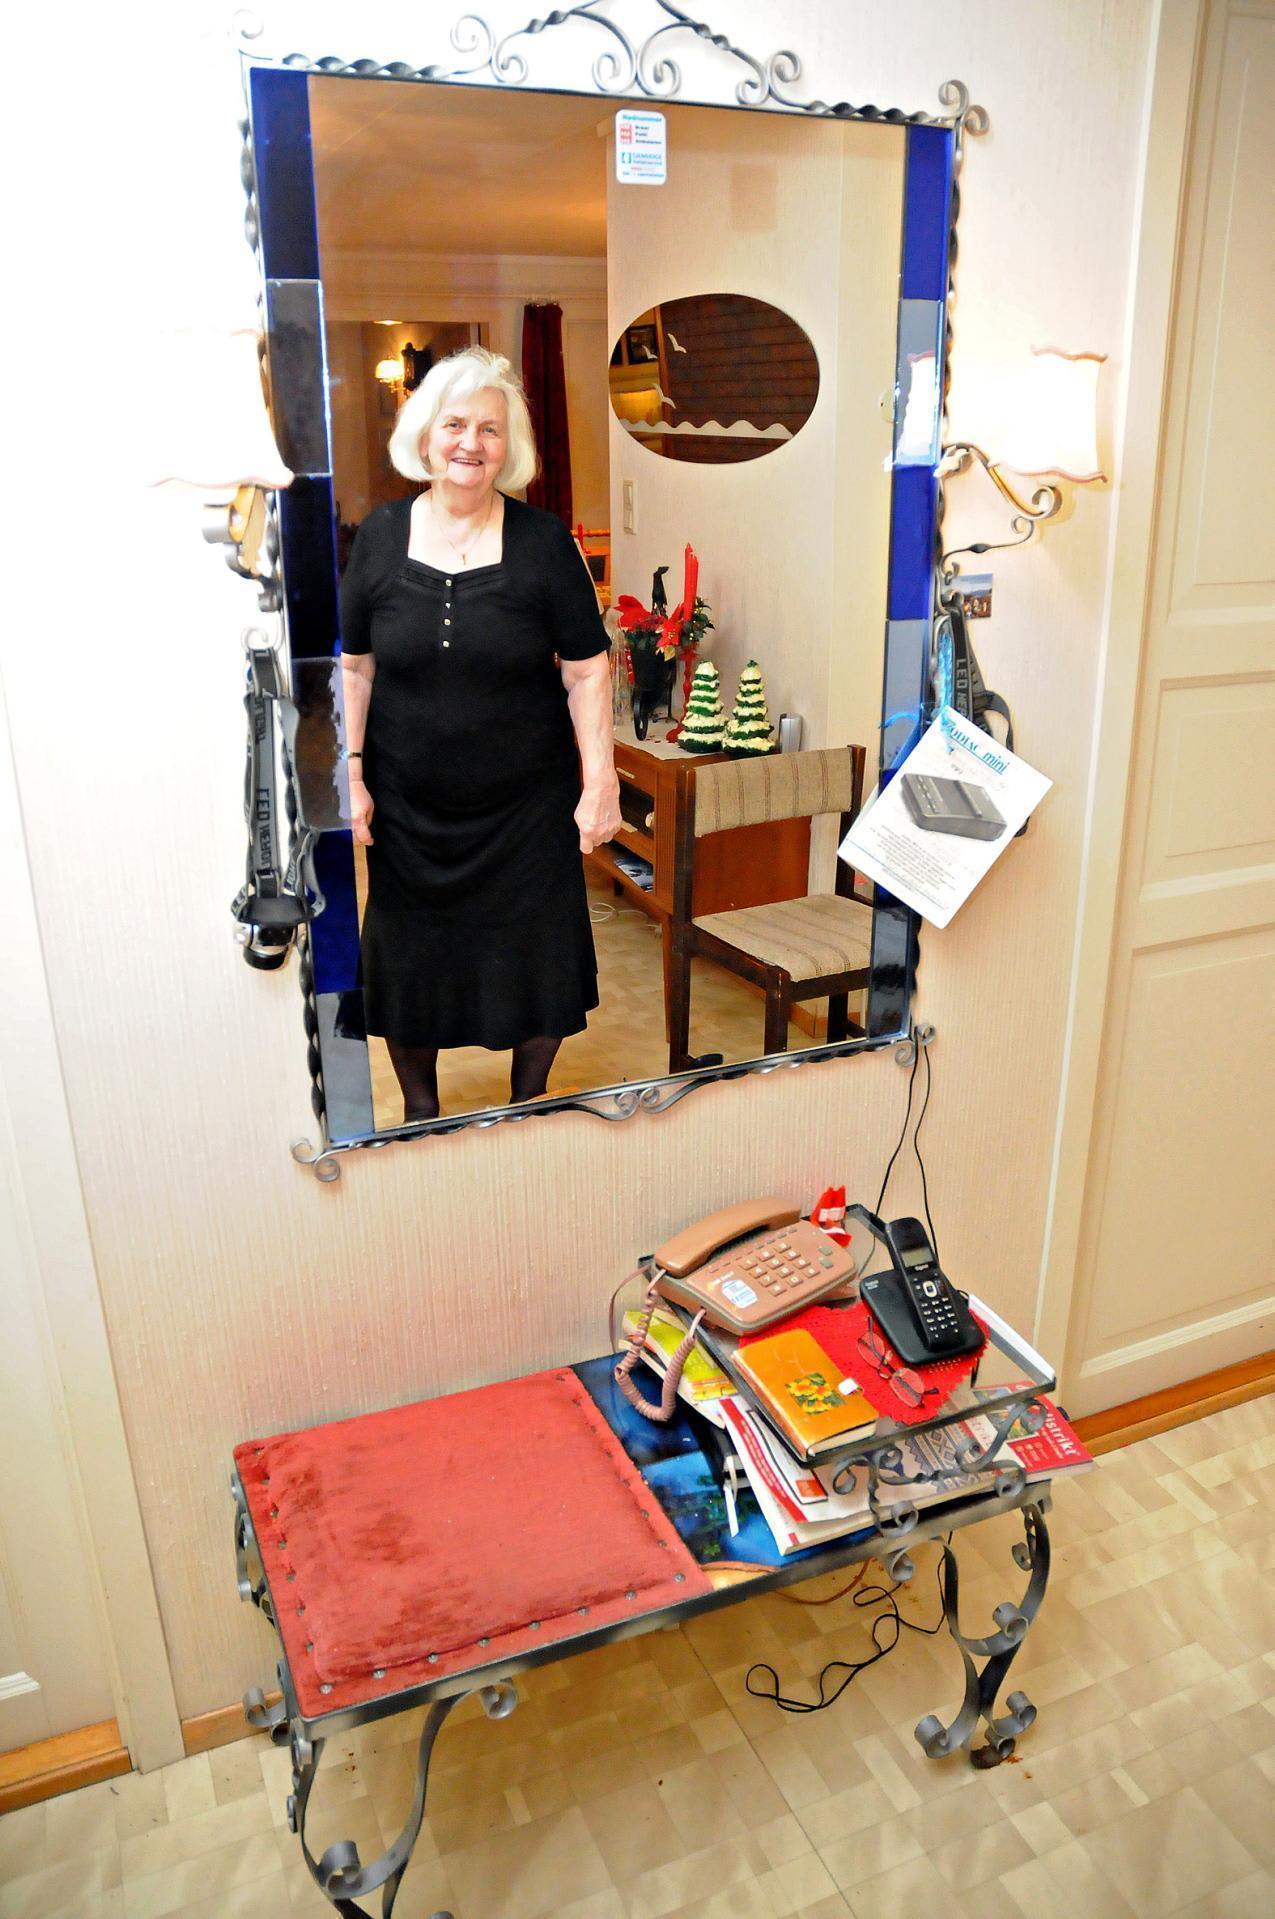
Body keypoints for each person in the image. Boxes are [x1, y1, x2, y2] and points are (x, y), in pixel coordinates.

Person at [339, 347, 622, 1121]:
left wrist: (600, 779)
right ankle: (421, 1112)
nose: (471, 443)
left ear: (510, 446)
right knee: (409, 960)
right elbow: (355, 667)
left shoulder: (544, 543)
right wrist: (350, 772)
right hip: (409, 809)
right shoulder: (379, 538)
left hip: (526, 809)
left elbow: (586, 670)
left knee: (537, 955)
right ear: (425, 435)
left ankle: (525, 1104)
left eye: (490, 429)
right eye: (455, 424)